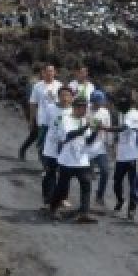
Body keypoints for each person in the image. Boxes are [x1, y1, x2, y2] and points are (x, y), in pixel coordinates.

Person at [49, 94, 99, 223]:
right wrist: (87, 126)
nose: (84, 110)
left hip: (82, 159)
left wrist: (95, 131)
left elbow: (88, 141)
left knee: (86, 185)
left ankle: (84, 213)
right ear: (75, 108)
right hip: (67, 160)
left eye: (85, 108)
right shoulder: (65, 119)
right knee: (62, 187)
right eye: (82, 108)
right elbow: (69, 135)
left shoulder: (84, 120)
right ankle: (53, 208)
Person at [40, 85, 74, 207]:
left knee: (65, 174)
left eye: (67, 95)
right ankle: (47, 197)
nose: (65, 98)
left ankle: (64, 197)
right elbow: (44, 125)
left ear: (72, 98)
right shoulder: (51, 108)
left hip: (66, 147)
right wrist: (41, 141)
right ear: (58, 97)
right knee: (50, 173)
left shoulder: (73, 111)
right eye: (62, 95)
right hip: (51, 146)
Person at [112, 92, 138, 219]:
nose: (118, 105)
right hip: (121, 155)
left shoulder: (133, 114)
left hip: (133, 155)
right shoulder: (121, 113)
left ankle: (132, 208)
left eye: (121, 103)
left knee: (133, 184)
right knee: (117, 181)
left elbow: (122, 128)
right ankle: (120, 199)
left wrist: (106, 128)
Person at [21, 64, 61, 161]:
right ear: (43, 73)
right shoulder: (37, 86)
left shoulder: (59, 85)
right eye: (47, 71)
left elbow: (63, 102)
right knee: (41, 141)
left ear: (55, 73)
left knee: (53, 141)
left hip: (55, 119)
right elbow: (32, 103)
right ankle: (43, 163)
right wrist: (31, 119)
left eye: (51, 71)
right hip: (42, 119)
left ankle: (49, 164)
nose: (49, 73)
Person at [86, 90, 112, 209]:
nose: (99, 104)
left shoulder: (105, 112)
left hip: (100, 147)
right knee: (87, 176)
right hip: (87, 148)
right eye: (96, 102)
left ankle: (100, 195)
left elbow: (108, 129)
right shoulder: (85, 111)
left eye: (100, 102)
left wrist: (110, 144)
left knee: (105, 171)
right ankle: (85, 200)